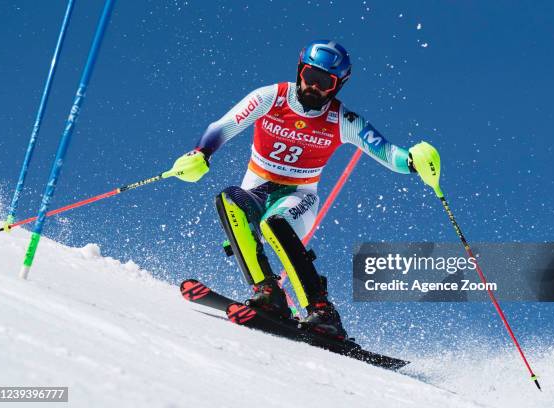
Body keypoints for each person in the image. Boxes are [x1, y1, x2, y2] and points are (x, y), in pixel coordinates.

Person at [172, 40, 439, 340]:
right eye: (310, 76)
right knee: (228, 200)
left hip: (298, 197)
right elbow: (223, 125)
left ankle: (322, 311)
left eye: (325, 81)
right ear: (300, 71)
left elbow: (388, 153)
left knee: (274, 222)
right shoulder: (271, 97)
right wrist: (201, 152)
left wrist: (413, 161)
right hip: (256, 192)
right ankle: (268, 293)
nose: (314, 86)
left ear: (337, 86)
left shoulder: (342, 119)